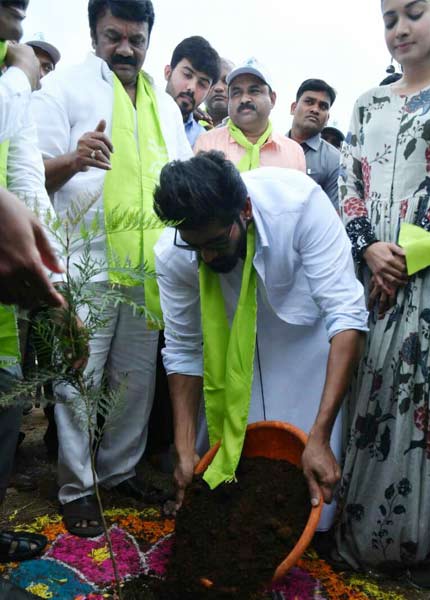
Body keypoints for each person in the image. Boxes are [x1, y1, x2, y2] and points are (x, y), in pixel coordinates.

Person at [31, 0, 193, 538]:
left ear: (149, 40)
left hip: (150, 270)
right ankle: (78, 488)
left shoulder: (163, 106)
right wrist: (73, 159)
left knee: (134, 382)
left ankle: (119, 472)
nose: (125, 48)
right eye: (113, 35)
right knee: (79, 379)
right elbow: (28, 179)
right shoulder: (65, 88)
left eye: (136, 38)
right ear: (93, 33)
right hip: (86, 262)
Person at [152, 152, 367, 532]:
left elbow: (346, 316)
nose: (207, 256)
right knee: (230, 489)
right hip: (230, 351)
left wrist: (318, 437)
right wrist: (184, 448)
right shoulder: (174, 252)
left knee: (309, 495)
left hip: (305, 340)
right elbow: (184, 349)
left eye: (217, 241)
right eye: (195, 246)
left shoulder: (299, 204)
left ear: (245, 210)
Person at [334, 0, 430, 572]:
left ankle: (418, 542)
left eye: (413, 13)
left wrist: (409, 253)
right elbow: (349, 183)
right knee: (371, 397)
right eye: (390, 18)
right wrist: (370, 248)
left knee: (427, 405)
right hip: (371, 275)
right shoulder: (366, 104)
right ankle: (361, 538)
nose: (400, 28)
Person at [0, 3, 56, 569]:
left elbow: (22, 172)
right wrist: (18, 78)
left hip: (2, 301)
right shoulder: (15, 76)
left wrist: (47, 262)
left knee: (6, 416)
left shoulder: (11, 69)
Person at [193, 58, 304, 172]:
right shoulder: (207, 144)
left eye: (254, 91)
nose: (244, 99)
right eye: (236, 93)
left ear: (272, 99)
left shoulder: (294, 153)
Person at [288, 78, 342, 209]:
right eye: (309, 102)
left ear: (327, 118)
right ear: (293, 108)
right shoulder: (269, 145)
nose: (315, 109)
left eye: (323, 106)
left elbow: (334, 214)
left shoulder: (336, 160)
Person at [163, 36, 220, 147]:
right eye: (187, 75)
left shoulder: (204, 141)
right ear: (168, 72)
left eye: (202, 84)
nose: (192, 88)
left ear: (208, 93)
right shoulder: (137, 112)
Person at [200, 57, 233, 128]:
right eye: (213, 81)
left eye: (226, 81)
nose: (219, 88)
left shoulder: (250, 126)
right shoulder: (185, 123)